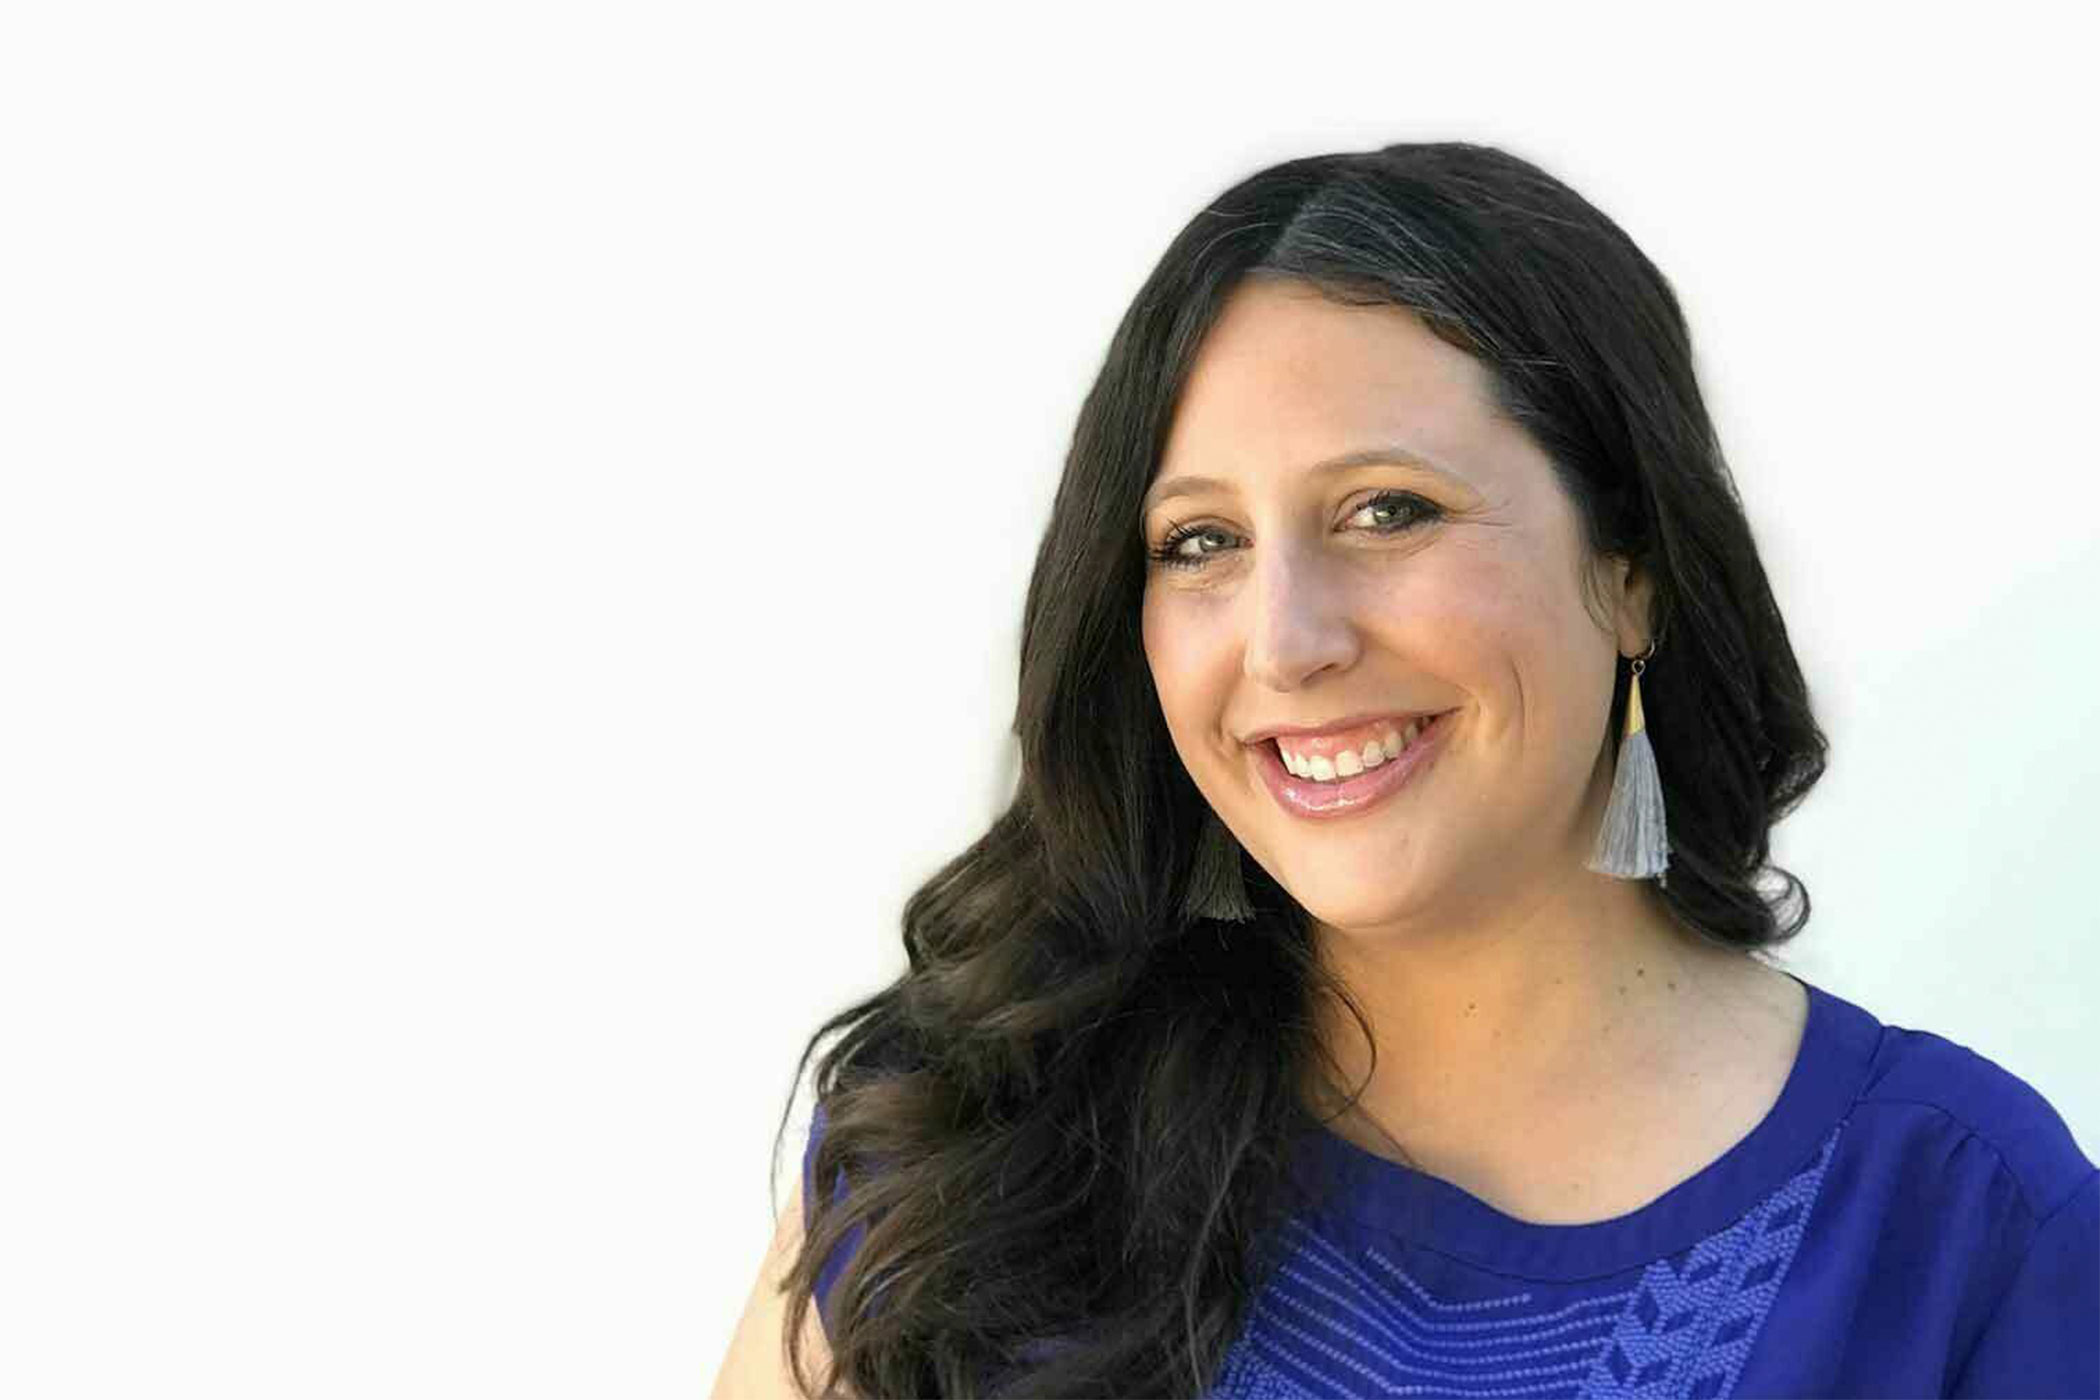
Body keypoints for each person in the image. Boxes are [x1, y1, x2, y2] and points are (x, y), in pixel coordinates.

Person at [709, 141, 2099, 1398]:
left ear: (1635, 577)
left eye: (1388, 511)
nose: (1288, 640)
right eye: (1201, 542)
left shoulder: (1963, 1225)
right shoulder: (963, 1135)